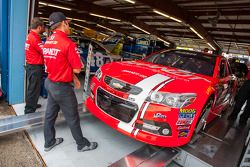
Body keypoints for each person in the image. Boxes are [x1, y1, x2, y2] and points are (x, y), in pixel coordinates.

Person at [42, 12, 97, 152]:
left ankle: (49, 142)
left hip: (50, 82)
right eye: (68, 23)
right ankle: (82, 144)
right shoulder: (67, 43)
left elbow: (59, 63)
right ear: (64, 23)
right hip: (62, 88)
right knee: (72, 117)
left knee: (49, 115)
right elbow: (78, 68)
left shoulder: (48, 41)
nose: (69, 26)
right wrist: (74, 75)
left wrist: (73, 78)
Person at [24, 17, 45, 114]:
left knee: (33, 88)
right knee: (33, 88)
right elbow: (44, 51)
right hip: (35, 66)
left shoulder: (29, 35)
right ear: (39, 27)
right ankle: (29, 110)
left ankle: (32, 103)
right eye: (43, 27)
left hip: (31, 65)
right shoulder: (35, 38)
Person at [228, 46, 250, 127]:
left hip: (248, 83)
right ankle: (235, 117)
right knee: (240, 100)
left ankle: (242, 120)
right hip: (248, 83)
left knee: (248, 106)